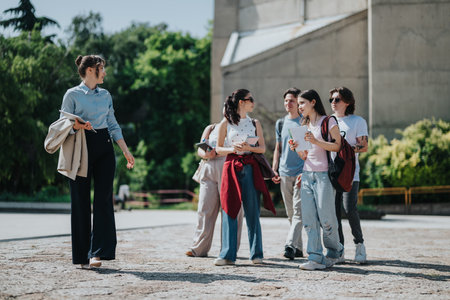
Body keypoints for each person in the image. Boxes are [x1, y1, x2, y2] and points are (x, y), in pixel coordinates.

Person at [60, 55, 135, 269]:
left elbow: (112, 123)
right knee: (80, 200)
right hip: (80, 148)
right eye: (103, 69)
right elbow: (62, 123)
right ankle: (82, 255)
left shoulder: (105, 95)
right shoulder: (71, 94)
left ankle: (97, 253)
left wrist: (126, 151)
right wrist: (76, 126)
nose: (105, 73)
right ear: (91, 70)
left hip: (104, 147)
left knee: (103, 201)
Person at [214, 89, 276, 266]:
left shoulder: (255, 123)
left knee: (253, 210)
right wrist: (234, 148)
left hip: (250, 166)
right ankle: (227, 254)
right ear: (241, 102)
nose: (253, 102)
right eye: (250, 99)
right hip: (231, 166)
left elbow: (262, 148)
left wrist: (248, 146)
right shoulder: (225, 123)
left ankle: (257, 254)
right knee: (229, 208)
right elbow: (218, 149)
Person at [290, 89, 344, 270]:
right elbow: (305, 156)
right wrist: (296, 148)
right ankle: (314, 257)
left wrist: (315, 141)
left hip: (324, 176)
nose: (299, 107)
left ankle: (335, 251)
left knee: (327, 219)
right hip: (306, 175)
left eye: (302, 103)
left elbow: (337, 146)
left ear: (313, 102)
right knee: (309, 219)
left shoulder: (329, 121)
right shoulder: (304, 125)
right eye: (298, 104)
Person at [186, 122, 244, 257]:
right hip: (209, 169)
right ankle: (198, 248)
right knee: (204, 209)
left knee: (231, 210)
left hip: (229, 168)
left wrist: (218, 152)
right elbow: (200, 149)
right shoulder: (211, 128)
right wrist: (206, 154)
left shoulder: (240, 127)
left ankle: (229, 249)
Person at [329, 87, 368, 264]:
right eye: (331, 99)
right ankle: (339, 249)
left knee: (349, 209)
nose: (333, 103)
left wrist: (345, 150)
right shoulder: (329, 121)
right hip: (331, 173)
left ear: (347, 102)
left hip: (351, 173)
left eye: (337, 99)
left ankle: (359, 245)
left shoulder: (357, 121)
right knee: (334, 212)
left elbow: (364, 147)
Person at [272, 87, 305, 260]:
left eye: (291, 100)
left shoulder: (303, 122)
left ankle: (290, 245)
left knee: (298, 212)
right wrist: (274, 169)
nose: (288, 103)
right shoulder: (280, 123)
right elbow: (278, 148)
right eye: (286, 100)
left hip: (301, 173)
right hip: (284, 173)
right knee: (291, 213)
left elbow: (307, 151)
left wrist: (306, 171)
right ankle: (299, 248)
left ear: (298, 102)